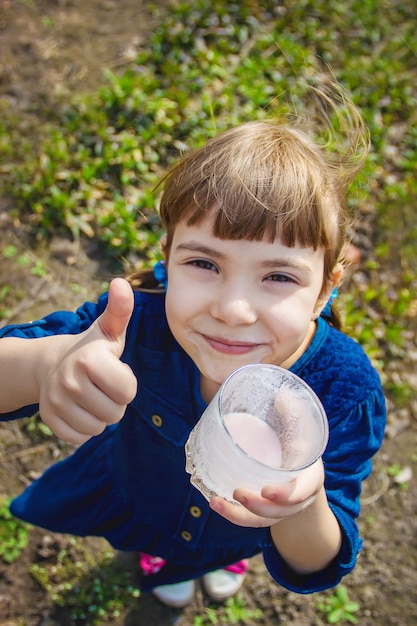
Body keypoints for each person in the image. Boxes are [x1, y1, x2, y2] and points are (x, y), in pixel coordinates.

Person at [0, 81, 386, 609]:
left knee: (222, 541)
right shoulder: (135, 324)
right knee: (152, 547)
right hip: (141, 496)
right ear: (169, 255)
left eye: (278, 277)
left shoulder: (345, 390)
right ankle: (160, 564)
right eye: (204, 264)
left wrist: (300, 503)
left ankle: (219, 555)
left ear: (325, 288)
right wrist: (47, 365)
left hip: (240, 528)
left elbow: (316, 561)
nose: (232, 308)